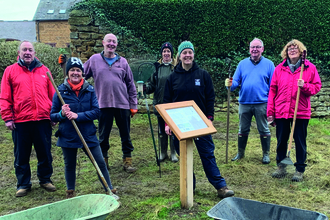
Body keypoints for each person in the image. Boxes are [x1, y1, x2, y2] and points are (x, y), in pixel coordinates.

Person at [163, 41, 234, 198]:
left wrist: (209, 118)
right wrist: (167, 123)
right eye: (184, 52)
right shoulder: (172, 77)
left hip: (200, 123)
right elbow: (167, 101)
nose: (187, 55)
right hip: (179, 124)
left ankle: (221, 187)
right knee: (185, 156)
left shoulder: (203, 75)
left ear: (193, 55)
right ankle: (189, 185)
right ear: (180, 56)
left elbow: (210, 97)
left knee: (207, 154)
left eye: (190, 52)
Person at [50, 57, 116, 198]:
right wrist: (61, 114)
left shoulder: (89, 90)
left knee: (99, 162)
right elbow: (52, 116)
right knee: (70, 165)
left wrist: (77, 116)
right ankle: (70, 192)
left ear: (82, 73)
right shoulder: (60, 92)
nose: (75, 73)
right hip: (68, 134)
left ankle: (109, 189)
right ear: (67, 73)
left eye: (78, 70)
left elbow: (97, 112)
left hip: (88, 134)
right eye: (72, 70)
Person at [0, 41, 56, 197]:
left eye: (30, 50)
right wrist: (7, 117)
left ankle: (45, 179)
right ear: (19, 52)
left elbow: (53, 95)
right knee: (21, 154)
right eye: (24, 50)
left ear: (34, 52)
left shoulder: (44, 71)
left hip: (42, 120)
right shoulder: (10, 71)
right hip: (20, 121)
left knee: (44, 152)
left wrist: (53, 114)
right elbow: (4, 96)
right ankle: (23, 184)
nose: (27, 52)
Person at [267, 39, 321, 182]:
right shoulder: (279, 68)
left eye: (295, 48)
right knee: (281, 140)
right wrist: (270, 112)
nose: (292, 50)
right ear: (286, 52)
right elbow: (272, 90)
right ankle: (281, 166)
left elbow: (316, 87)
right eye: (289, 48)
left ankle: (299, 169)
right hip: (282, 110)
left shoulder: (309, 68)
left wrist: (305, 86)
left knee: (300, 140)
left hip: (300, 111)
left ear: (301, 51)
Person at [84, 33, 138, 173]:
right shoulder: (94, 59)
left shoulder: (123, 62)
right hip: (103, 105)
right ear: (103, 42)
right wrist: (67, 66)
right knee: (103, 136)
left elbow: (131, 84)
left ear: (116, 45)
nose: (111, 44)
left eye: (114, 42)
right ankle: (103, 162)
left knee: (125, 135)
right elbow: (80, 74)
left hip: (122, 105)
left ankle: (127, 160)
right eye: (109, 41)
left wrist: (133, 105)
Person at [225, 38, 275, 164]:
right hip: (245, 103)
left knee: (264, 129)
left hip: (262, 103)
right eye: (253, 47)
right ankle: (240, 153)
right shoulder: (242, 64)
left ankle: (266, 154)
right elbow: (235, 82)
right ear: (249, 49)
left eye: (258, 47)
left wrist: (271, 104)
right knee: (243, 129)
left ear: (262, 49)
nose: (255, 49)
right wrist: (230, 83)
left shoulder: (269, 64)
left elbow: (273, 86)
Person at [145, 42, 178, 162]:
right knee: (161, 130)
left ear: (171, 54)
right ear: (161, 54)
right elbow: (151, 85)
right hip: (159, 103)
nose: (166, 53)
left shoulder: (176, 67)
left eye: (168, 51)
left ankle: (173, 153)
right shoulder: (156, 68)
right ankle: (163, 152)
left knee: (173, 130)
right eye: (164, 51)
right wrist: (144, 88)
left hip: (172, 104)